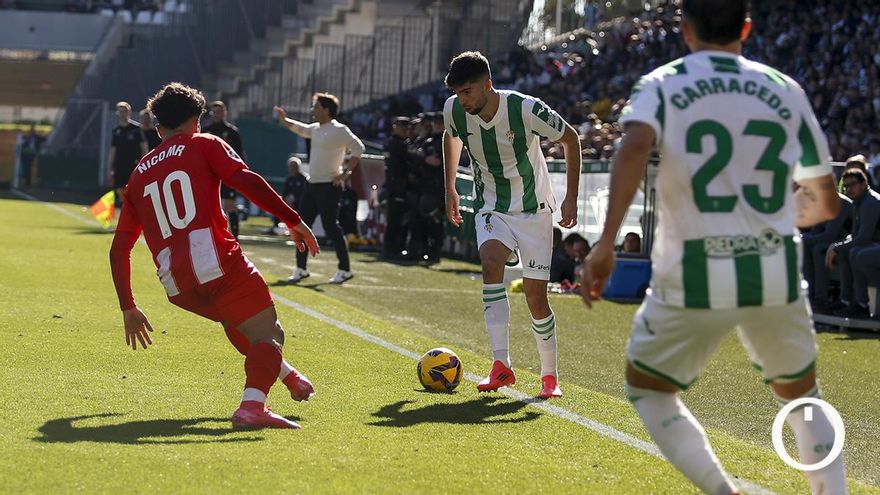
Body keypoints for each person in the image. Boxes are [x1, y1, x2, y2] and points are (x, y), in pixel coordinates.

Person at [581, 1, 847, 493]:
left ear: (685, 30)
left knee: (649, 390)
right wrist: (771, 220)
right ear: (746, 27)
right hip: (773, 270)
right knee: (802, 397)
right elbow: (826, 201)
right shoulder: (786, 89)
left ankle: (724, 490)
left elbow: (634, 145)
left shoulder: (662, 83)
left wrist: (606, 243)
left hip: (693, 271)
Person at [108, 83, 320, 430]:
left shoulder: (138, 173)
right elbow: (246, 181)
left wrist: (128, 306)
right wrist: (292, 219)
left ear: (158, 129)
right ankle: (252, 407)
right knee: (269, 335)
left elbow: (119, 249)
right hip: (218, 263)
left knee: (237, 323)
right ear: (197, 120)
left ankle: (288, 376)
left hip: (178, 285)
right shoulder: (204, 143)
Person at [442, 51, 581, 399]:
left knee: (535, 297)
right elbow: (451, 135)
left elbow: (571, 139)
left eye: (468, 91)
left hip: (534, 210)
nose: (462, 100)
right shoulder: (454, 110)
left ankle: (549, 375)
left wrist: (572, 197)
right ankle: (501, 365)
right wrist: (449, 187)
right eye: (458, 93)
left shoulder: (524, 108)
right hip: (491, 206)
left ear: (488, 85)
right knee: (490, 263)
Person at [274, 93, 366, 284]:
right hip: (311, 185)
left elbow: (359, 148)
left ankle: (345, 270)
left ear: (326, 110)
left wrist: (345, 173)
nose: (312, 110)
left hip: (329, 186)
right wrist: (284, 120)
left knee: (331, 227)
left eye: (315, 106)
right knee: (301, 227)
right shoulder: (315, 128)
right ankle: (300, 269)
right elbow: (300, 128)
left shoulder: (339, 129)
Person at [824, 168, 880, 318]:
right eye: (846, 186)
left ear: (863, 184)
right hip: (874, 246)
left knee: (857, 253)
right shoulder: (858, 201)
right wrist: (839, 246)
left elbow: (864, 238)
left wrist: (836, 247)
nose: (848, 189)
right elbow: (854, 235)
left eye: (853, 184)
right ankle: (846, 300)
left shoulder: (870, 202)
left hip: (875, 247)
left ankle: (861, 303)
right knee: (847, 250)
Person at [802, 191, 852, 312]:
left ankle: (821, 300)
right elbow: (816, 231)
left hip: (847, 243)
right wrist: (801, 239)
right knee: (806, 247)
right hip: (833, 242)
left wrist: (802, 238)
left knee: (819, 250)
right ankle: (809, 296)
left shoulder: (839, 203)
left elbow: (829, 235)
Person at [203, 101, 245, 239]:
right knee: (209, 206)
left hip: (226, 174)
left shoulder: (232, 132)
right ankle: (213, 236)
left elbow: (238, 155)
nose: (216, 115)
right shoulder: (205, 131)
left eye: (219, 112)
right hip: (209, 174)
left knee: (230, 205)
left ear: (224, 113)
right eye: (214, 112)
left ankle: (235, 237)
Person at [382, 116, 412, 259]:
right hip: (398, 185)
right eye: (402, 127)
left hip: (395, 185)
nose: (405, 130)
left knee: (397, 219)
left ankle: (393, 248)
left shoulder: (391, 142)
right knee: (396, 219)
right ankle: (393, 248)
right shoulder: (398, 144)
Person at [107, 101, 148, 205]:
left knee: (134, 189)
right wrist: (110, 168)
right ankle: (124, 209)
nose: (122, 114)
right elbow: (113, 150)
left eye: (124, 111)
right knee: (120, 190)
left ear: (129, 112)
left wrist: (144, 163)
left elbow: (144, 147)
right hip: (119, 165)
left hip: (133, 165)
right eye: (120, 111)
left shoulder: (136, 128)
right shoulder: (116, 131)